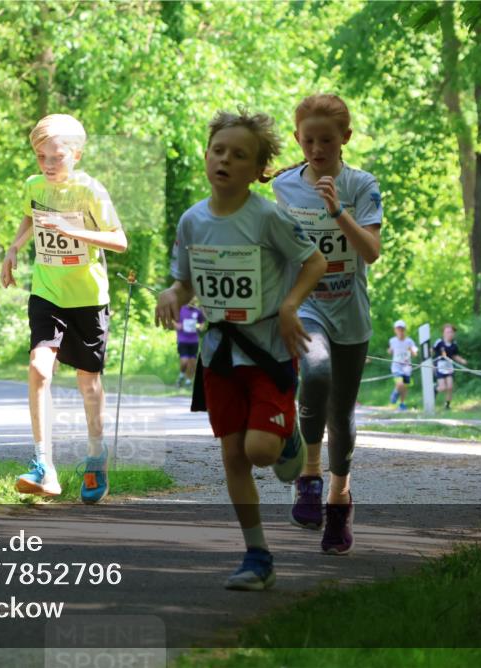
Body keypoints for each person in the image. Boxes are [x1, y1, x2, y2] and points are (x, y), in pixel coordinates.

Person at [156, 109, 326, 590]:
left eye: (239, 155)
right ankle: (257, 555)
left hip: (269, 350)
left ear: (259, 170)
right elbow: (184, 282)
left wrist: (292, 305)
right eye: (218, 151)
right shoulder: (192, 222)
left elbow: (314, 262)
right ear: (206, 157)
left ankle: (287, 436)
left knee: (259, 451)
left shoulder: (268, 216)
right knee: (233, 456)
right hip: (219, 355)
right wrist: (173, 294)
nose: (225, 160)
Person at [269, 94, 382, 552]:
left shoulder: (361, 184)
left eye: (327, 141)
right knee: (314, 370)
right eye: (309, 140)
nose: (317, 149)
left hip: (349, 311)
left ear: (345, 140)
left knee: (343, 415)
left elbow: (371, 252)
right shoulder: (284, 187)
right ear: (298, 139)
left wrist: (338, 212)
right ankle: (309, 477)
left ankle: (340, 500)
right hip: (307, 304)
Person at [0, 114, 128, 504]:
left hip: (88, 299)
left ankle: (95, 455)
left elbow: (119, 241)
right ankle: (44, 465)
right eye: (41, 157)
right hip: (47, 291)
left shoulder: (91, 191)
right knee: (40, 368)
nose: (48, 165)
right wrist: (14, 247)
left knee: (88, 382)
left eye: (56, 157)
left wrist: (74, 232)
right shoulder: (33, 185)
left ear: (76, 154)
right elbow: (31, 215)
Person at [433, 323, 467, 410]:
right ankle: (435, 390)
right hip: (439, 367)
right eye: (447, 332)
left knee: (450, 386)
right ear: (443, 333)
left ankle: (447, 405)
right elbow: (431, 351)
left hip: (449, 367)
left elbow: (455, 355)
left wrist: (462, 361)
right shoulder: (439, 342)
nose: (450, 334)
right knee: (443, 387)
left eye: (451, 332)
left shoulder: (454, 344)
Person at [388, 320, 418, 411]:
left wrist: (411, 350)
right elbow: (390, 350)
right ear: (395, 330)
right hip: (396, 367)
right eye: (398, 329)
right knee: (400, 384)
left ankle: (402, 404)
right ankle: (395, 393)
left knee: (404, 387)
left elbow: (415, 354)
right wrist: (389, 351)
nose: (400, 331)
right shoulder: (392, 341)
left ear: (404, 330)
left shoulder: (409, 341)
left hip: (407, 368)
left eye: (402, 329)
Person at [175, 299, 205, 388]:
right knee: (184, 361)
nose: (193, 300)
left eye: (194, 298)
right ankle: (181, 376)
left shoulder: (198, 311)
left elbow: (202, 322)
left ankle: (188, 381)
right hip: (183, 339)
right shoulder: (181, 309)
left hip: (194, 340)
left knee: (192, 362)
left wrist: (200, 327)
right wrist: (177, 325)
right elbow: (173, 320)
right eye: (191, 298)